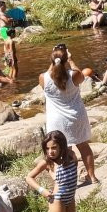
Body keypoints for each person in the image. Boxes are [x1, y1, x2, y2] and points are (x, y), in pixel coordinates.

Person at [39, 45, 98, 185]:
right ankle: (92, 177)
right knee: (84, 147)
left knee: (63, 151)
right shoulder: (74, 75)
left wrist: (54, 58)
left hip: (56, 120)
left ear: (52, 61)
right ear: (66, 59)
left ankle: (66, 181)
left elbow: (50, 72)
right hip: (76, 116)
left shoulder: (43, 78)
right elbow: (81, 75)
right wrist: (71, 60)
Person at [27, 130, 78, 212]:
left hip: (70, 199)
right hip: (57, 200)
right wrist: (42, 190)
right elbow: (29, 177)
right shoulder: (48, 163)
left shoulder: (72, 156)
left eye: (54, 147)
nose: (51, 151)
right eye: (47, 148)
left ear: (62, 146)